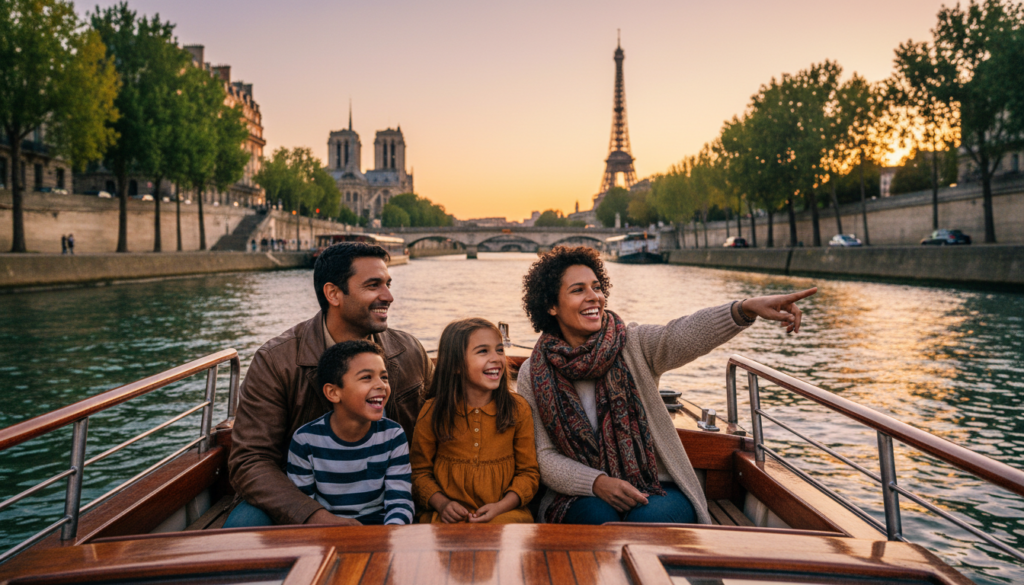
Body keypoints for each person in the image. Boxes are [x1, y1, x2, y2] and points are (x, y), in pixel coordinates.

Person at [516, 246, 816, 525]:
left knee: (645, 523)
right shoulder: (533, 373)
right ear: (551, 305)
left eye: (596, 287)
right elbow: (544, 456)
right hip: (578, 493)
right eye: (578, 290)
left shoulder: (632, 343)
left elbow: (684, 334)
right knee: (599, 518)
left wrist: (745, 308)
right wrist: (597, 483)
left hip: (656, 484)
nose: (593, 296)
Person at [226, 242, 433, 527]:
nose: (389, 296)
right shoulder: (276, 361)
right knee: (243, 529)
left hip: (394, 492)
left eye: (388, 284)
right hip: (301, 497)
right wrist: (314, 516)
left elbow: (443, 421)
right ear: (333, 293)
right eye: (373, 285)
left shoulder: (409, 350)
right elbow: (250, 461)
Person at [410, 318, 539, 524]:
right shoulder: (433, 411)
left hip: (505, 513)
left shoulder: (518, 409)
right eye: (483, 351)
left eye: (499, 350)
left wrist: (500, 507)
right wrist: (442, 504)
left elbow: (528, 473)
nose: (496, 358)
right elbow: (419, 473)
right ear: (456, 365)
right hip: (447, 515)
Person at [287, 340, 413, 526]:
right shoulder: (305, 440)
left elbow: (400, 501)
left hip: (382, 529)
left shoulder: (393, 435)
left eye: (384, 377)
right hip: (327, 530)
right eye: (366, 378)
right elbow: (303, 506)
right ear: (333, 393)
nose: (381, 385)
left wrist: (390, 533)